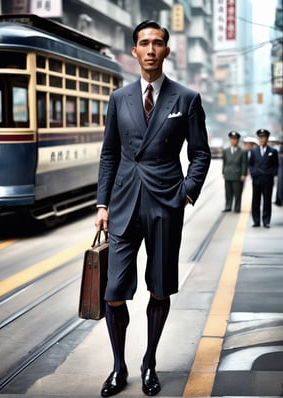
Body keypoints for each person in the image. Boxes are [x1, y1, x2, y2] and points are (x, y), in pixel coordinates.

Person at [94, 20, 211, 397]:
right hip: (123, 206)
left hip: (165, 206)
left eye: (157, 43)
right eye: (143, 43)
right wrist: (101, 203)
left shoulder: (186, 99)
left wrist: (187, 193)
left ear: (166, 51)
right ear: (134, 51)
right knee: (113, 290)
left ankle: (149, 363)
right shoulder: (119, 98)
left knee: (159, 290)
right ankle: (118, 366)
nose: (150, 49)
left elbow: (200, 153)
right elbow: (110, 154)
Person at [248, 128, 279, 228]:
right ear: (258, 139)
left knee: (267, 201)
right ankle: (256, 221)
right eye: (260, 137)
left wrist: (271, 174)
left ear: (267, 138)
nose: (262, 139)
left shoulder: (273, 151)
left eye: (264, 137)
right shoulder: (254, 151)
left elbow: (276, 166)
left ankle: (266, 221)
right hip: (257, 180)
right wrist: (254, 173)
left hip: (267, 180)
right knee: (255, 201)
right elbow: (250, 165)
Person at [222, 131, 248, 213]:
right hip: (228, 174)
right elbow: (224, 162)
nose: (233, 141)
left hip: (237, 174)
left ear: (238, 140)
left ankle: (237, 208)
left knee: (237, 193)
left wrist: (244, 174)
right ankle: (228, 206)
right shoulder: (226, 150)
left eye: (235, 139)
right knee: (228, 192)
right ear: (230, 140)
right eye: (232, 139)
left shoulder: (243, 151)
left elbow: (244, 163)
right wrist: (223, 172)